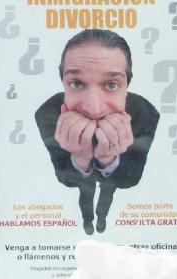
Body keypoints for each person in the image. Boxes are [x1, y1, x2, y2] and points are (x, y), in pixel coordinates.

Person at [35, 29, 159, 235]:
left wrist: (109, 161)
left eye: (111, 85)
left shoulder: (145, 112)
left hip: (113, 176)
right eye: (76, 84)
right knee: (85, 192)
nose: (94, 109)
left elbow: (130, 179)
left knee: (107, 190)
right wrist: (80, 159)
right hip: (81, 179)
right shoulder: (47, 113)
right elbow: (65, 178)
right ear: (63, 82)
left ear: (127, 83)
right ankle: (88, 222)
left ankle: (101, 218)